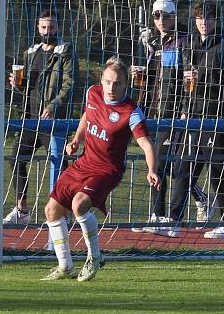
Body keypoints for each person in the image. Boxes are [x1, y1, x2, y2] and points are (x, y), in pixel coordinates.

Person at [41, 57, 160, 282]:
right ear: (101, 80)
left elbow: (146, 143)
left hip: (107, 169)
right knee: (51, 210)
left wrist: (152, 170)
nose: (111, 88)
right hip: (84, 162)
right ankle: (65, 266)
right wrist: (77, 139)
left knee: (79, 204)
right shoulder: (93, 93)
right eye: (107, 82)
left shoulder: (131, 112)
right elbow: (87, 115)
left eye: (117, 84)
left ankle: (94, 257)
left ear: (126, 84)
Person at [130, 0, 208, 237]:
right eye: (156, 16)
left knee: (177, 166)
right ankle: (157, 215)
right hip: (155, 114)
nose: (161, 20)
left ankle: (174, 218)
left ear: (175, 17)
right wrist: (138, 78)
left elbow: (189, 79)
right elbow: (152, 81)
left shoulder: (184, 42)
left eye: (166, 15)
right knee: (157, 164)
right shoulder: (153, 43)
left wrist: (186, 108)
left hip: (178, 113)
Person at [169, 3, 224, 239]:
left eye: (207, 19)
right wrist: (184, 109)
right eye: (199, 19)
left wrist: (203, 77)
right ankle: (173, 219)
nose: (203, 23)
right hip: (194, 116)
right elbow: (185, 84)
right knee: (184, 166)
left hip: (216, 117)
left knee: (218, 168)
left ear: (215, 20)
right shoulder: (189, 44)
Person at [4, 10, 74, 225]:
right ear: (38, 28)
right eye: (43, 27)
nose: (47, 31)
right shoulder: (31, 52)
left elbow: (69, 83)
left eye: (51, 27)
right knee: (16, 159)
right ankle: (22, 210)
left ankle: (64, 212)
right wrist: (16, 85)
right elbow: (27, 88)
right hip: (31, 118)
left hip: (53, 120)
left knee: (59, 166)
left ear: (58, 27)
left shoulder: (65, 51)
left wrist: (53, 106)